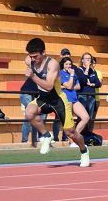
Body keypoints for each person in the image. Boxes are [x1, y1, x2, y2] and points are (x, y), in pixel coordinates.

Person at [22, 38, 90, 167]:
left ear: (44, 52)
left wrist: (33, 76)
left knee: (71, 133)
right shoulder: (29, 60)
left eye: (36, 56)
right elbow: (28, 60)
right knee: (29, 112)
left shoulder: (52, 64)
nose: (33, 59)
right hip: (43, 98)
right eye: (31, 56)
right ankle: (47, 136)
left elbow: (48, 86)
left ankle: (84, 151)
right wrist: (31, 63)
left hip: (58, 99)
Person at [78, 52, 102, 141]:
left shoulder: (93, 71)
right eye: (86, 58)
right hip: (82, 96)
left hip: (91, 96)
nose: (88, 60)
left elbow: (98, 83)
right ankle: (79, 135)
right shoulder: (79, 69)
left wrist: (91, 84)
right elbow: (82, 81)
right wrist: (87, 69)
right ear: (82, 60)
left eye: (89, 59)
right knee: (82, 117)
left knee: (90, 117)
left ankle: (87, 136)